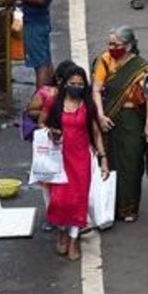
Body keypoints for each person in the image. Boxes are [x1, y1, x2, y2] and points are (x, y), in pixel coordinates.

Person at [43, 64, 109, 260]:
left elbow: (96, 133)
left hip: (81, 160)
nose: (76, 87)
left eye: (80, 84)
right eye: (72, 83)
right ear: (65, 84)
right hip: (59, 159)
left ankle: (73, 240)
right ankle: (62, 231)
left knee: (78, 202)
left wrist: (103, 158)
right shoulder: (55, 103)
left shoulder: (88, 105)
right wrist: (51, 133)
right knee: (60, 201)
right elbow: (41, 122)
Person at [92, 25, 148, 221]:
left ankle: (128, 208)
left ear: (128, 46)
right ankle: (108, 205)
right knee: (109, 161)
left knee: (132, 163)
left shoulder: (140, 67)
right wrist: (101, 116)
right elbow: (96, 90)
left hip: (132, 120)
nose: (111, 47)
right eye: (109, 43)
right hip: (109, 119)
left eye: (116, 44)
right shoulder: (104, 60)